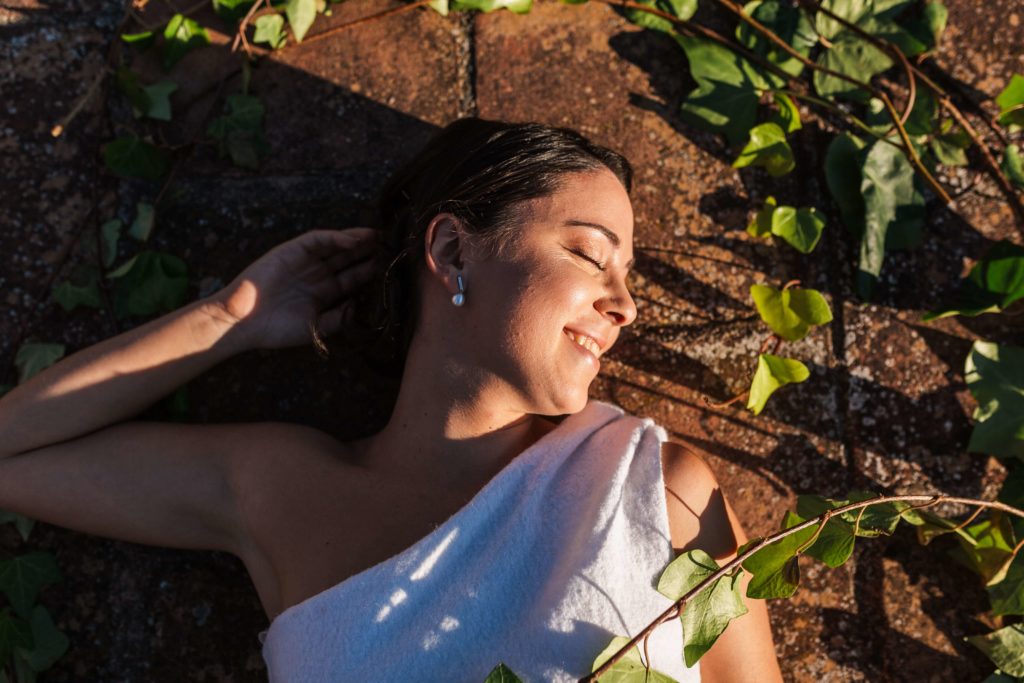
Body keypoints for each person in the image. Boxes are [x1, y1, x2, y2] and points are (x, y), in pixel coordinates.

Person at [0, 117, 782, 681]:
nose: (627, 305)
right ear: (451, 250)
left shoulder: (660, 492)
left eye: (629, 276)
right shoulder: (286, 492)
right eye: (589, 253)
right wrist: (226, 319)